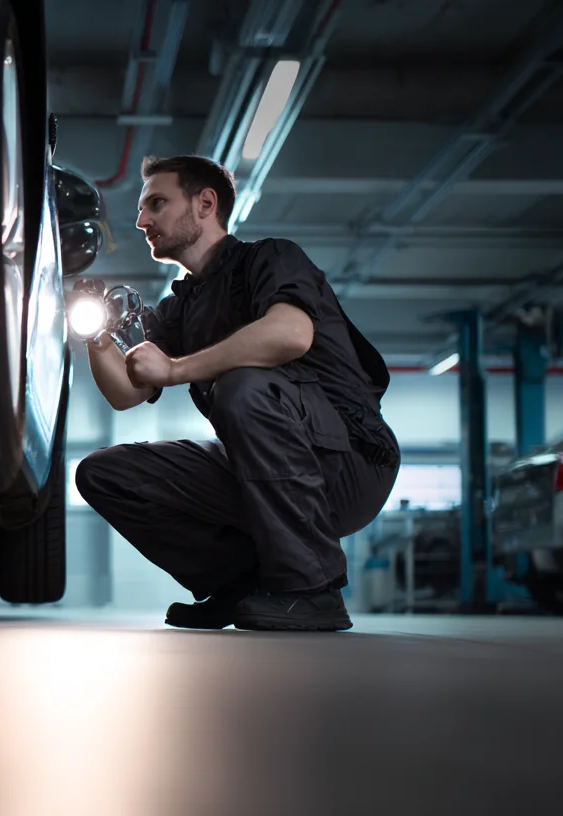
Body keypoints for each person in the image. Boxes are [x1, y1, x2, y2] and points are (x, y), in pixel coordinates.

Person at [74, 155, 400, 632]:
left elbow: (290, 334)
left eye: (157, 204)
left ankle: (312, 588)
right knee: (105, 474)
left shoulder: (270, 258)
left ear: (205, 203)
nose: (142, 220)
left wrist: (176, 368)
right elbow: (125, 394)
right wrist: (95, 335)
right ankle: (241, 583)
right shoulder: (182, 307)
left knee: (244, 384)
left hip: (349, 463)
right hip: (262, 469)